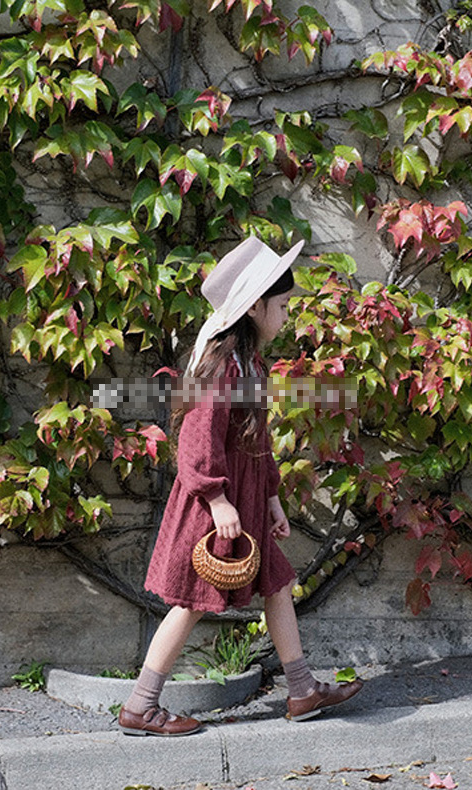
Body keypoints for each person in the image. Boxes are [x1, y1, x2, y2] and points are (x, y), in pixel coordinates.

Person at [118, 236, 363, 737]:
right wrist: (216, 498)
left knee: (276, 583)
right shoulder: (222, 366)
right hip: (216, 507)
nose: (287, 315)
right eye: (283, 305)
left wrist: (271, 496)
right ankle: (141, 705)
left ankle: (301, 690)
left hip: (245, 503)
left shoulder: (249, 365)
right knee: (189, 602)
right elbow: (196, 437)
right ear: (254, 306)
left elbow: (258, 441)